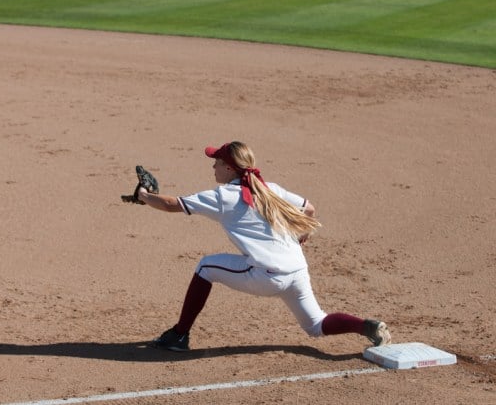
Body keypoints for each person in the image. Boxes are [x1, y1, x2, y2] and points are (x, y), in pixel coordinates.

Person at [137, 141, 391, 352]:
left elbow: (172, 204)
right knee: (316, 323)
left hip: (266, 275)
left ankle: (179, 336)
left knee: (206, 267)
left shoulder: (224, 196)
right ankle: (366, 327)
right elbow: (310, 208)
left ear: (228, 167)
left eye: (217, 162)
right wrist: (304, 232)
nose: (213, 165)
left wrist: (144, 196)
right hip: (297, 271)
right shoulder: (270, 189)